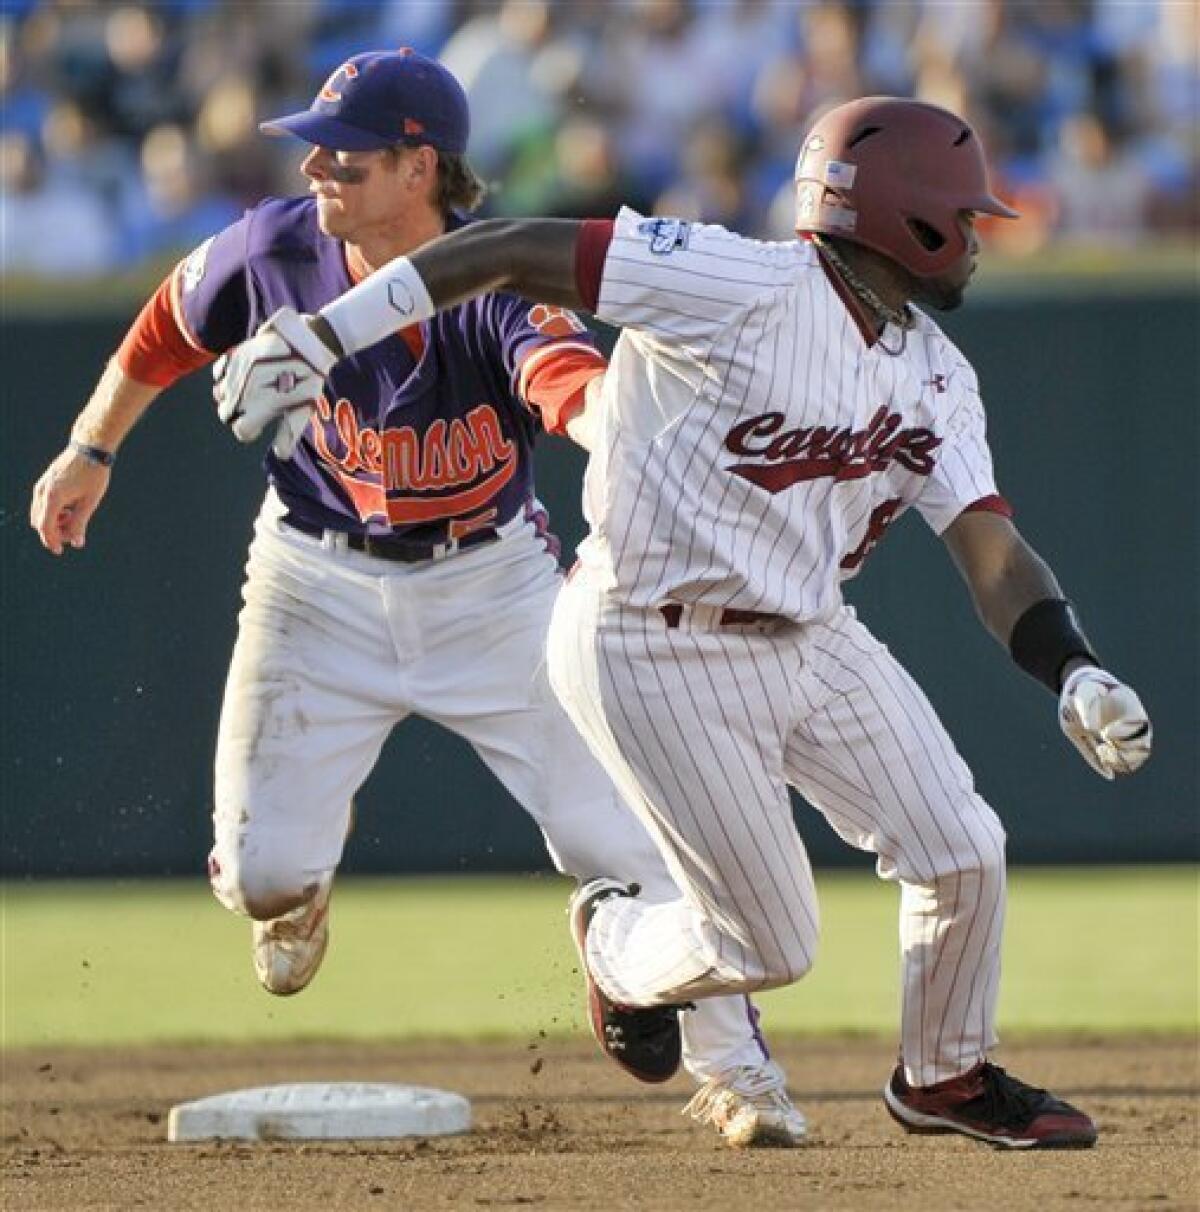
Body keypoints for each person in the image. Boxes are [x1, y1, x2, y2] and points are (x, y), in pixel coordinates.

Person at [214, 95, 1153, 1150]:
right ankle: (614, 941)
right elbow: (510, 248)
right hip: (649, 636)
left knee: (965, 849)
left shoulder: (938, 373)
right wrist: (333, 333)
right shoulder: (735, 279)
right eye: (965, 216)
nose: (977, 236)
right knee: (768, 943)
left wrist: (1070, 666)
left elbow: (988, 548)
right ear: (908, 220)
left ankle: (944, 1075)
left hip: (811, 631)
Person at [28, 49, 806, 1149]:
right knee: (257, 876)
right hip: (313, 577)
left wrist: (604, 430)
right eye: (314, 146)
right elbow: (168, 320)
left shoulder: (493, 274)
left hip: (495, 591)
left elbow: (565, 381)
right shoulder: (275, 247)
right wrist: (88, 447)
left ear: (419, 164)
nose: (316, 168)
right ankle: (299, 889)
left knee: (634, 840)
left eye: (345, 152)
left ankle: (738, 1074)